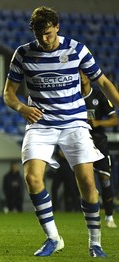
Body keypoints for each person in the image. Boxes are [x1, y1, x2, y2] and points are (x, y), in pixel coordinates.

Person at [3, 6, 119, 257]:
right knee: (32, 178)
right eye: (38, 34)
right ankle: (53, 238)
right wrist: (22, 108)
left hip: (74, 123)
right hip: (40, 124)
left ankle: (95, 243)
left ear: (57, 27)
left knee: (88, 182)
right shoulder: (23, 54)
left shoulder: (77, 49)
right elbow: (8, 94)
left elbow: (103, 83)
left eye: (47, 33)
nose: (43, 39)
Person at [81, 70, 118, 228]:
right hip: (81, 143)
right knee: (86, 181)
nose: (80, 77)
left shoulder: (99, 96)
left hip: (99, 143)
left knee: (105, 180)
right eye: (77, 74)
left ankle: (109, 216)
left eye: (82, 73)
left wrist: (98, 124)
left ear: (88, 76)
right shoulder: (72, 97)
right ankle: (91, 216)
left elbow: (114, 120)